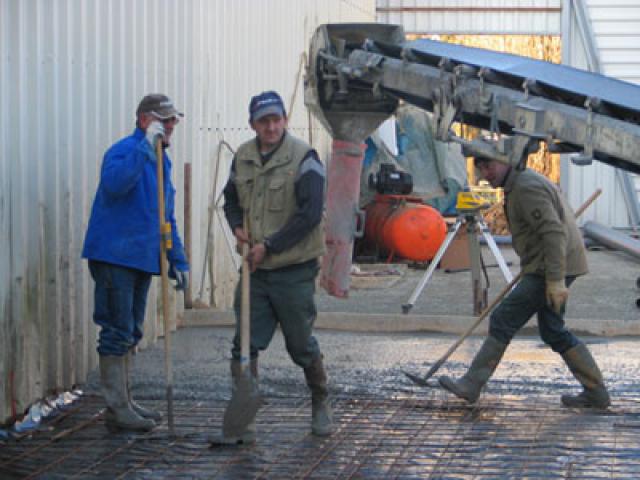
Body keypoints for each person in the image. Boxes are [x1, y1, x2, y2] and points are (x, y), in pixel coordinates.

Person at [439, 155, 610, 409]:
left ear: (506, 160)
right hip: (552, 263)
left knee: (503, 318)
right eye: (482, 168)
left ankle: (471, 384)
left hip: (550, 267)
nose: (486, 173)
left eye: (490, 165)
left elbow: (553, 232)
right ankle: (596, 393)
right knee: (552, 330)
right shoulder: (520, 183)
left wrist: (554, 280)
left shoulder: (526, 187)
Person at [221, 90, 333, 443]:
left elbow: (310, 215)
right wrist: (237, 225)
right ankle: (245, 415)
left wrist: (268, 247)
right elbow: (231, 200)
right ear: (252, 123)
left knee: (300, 345)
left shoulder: (304, 158)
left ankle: (320, 401)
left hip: (292, 270)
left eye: (276, 119)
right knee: (244, 345)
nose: (271, 127)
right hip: (256, 273)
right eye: (263, 121)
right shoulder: (242, 157)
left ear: (285, 120)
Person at [82, 94, 190, 432]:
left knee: (131, 330)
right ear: (146, 120)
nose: (172, 125)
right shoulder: (124, 151)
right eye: (165, 119)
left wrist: (178, 258)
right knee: (116, 330)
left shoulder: (162, 161)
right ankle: (116, 409)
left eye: (174, 120)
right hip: (115, 255)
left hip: (141, 257)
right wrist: (144, 148)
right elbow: (116, 185)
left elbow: (165, 213)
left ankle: (124, 403)